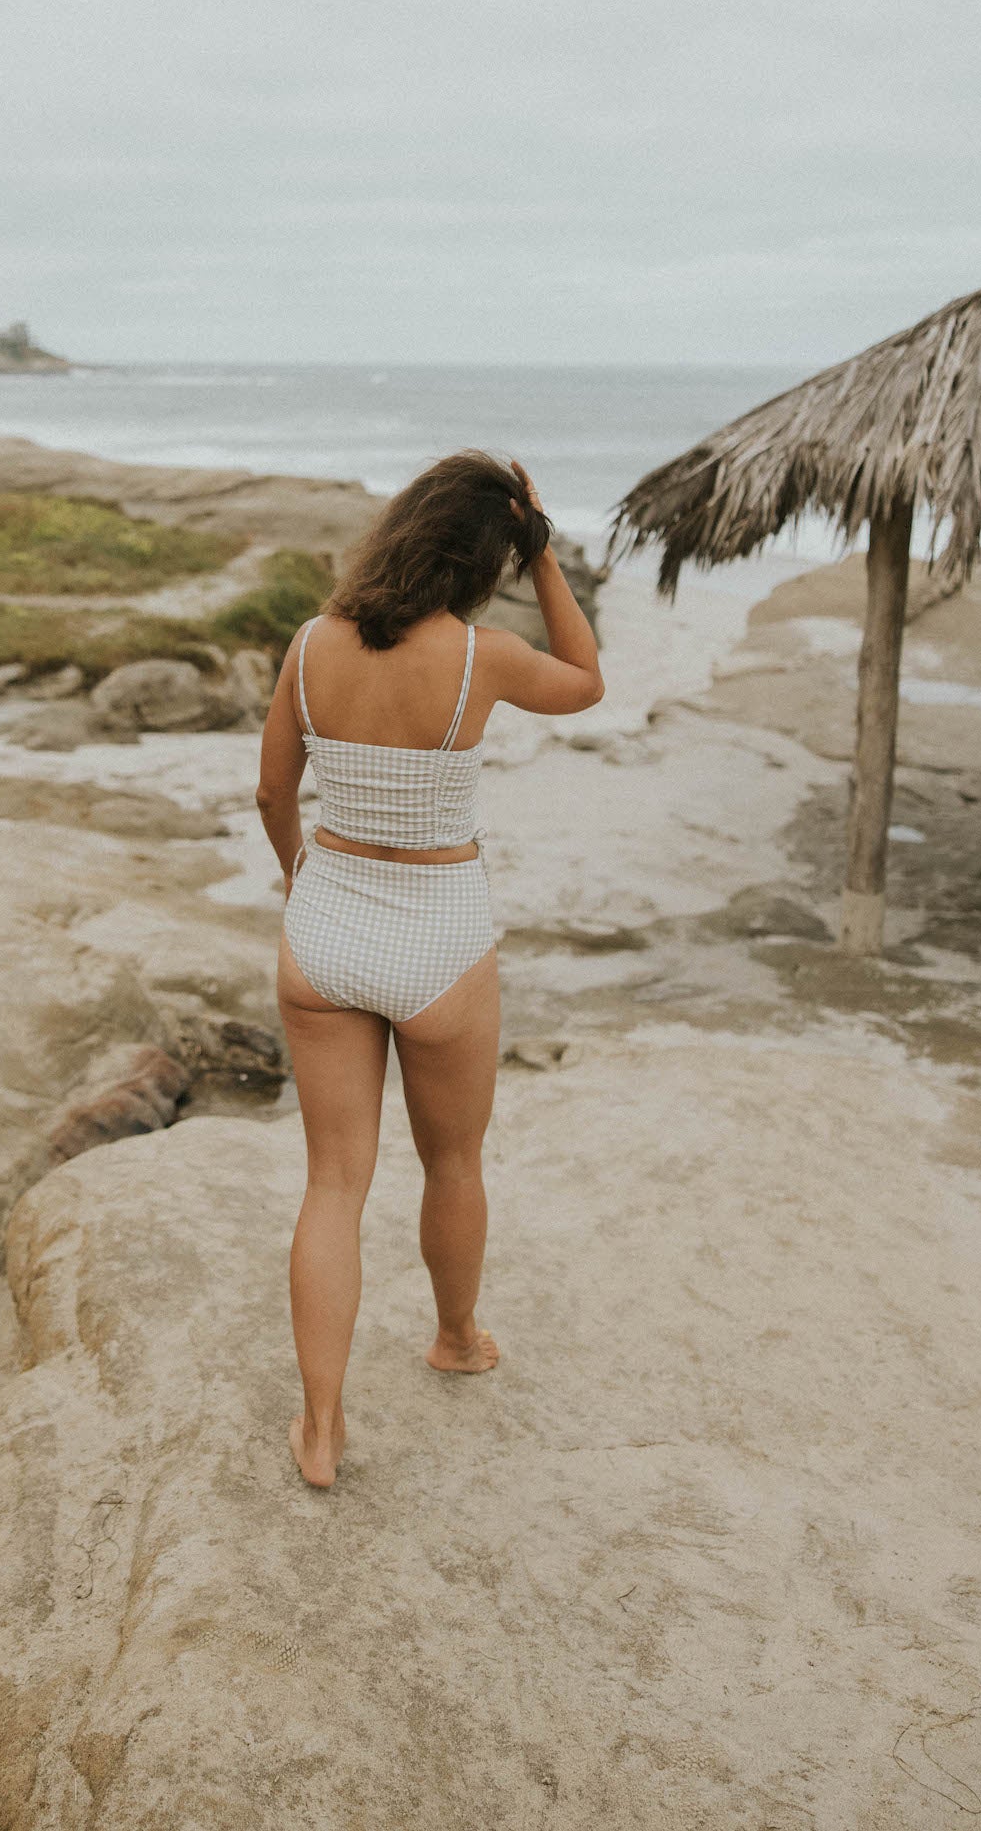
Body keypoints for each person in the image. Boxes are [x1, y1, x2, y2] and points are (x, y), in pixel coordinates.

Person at [255, 451, 603, 1487]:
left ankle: (320, 1424)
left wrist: (296, 882)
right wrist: (545, 556)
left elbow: (274, 792)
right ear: (486, 557)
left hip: (326, 927)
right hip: (442, 935)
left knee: (333, 1181)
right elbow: (586, 678)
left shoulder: (311, 643)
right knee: (454, 1163)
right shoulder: (481, 656)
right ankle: (455, 1335)